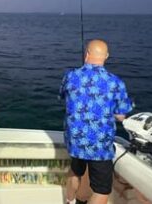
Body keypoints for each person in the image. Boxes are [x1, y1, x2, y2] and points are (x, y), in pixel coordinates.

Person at [59, 39, 133, 204]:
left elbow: (64, 98)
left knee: (75, 171)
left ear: (86, 54)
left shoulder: (70, 76)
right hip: (99, 146)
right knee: (102, 191)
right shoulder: (116, 82)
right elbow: (121, 116)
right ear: (106, 56)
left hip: (75, 140)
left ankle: (69, 201)